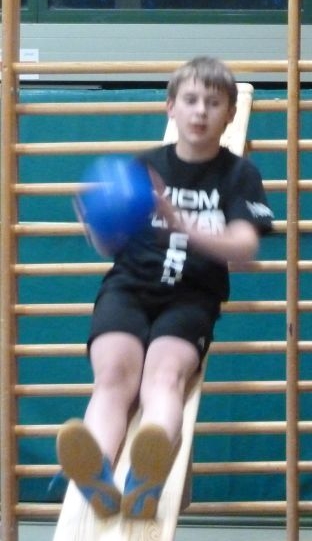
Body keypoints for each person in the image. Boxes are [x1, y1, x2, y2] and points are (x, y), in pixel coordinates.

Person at [56, 56, 273, 520]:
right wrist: (96, 229)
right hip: (129, 287)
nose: (200, 111)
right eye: (190, 100)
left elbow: (245, 249)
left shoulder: (239, 175)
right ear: (170, 107)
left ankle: (146, 476)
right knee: (113, 378)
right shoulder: (143, 167)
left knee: (164, 376)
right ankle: (96, 473)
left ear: (230, 113)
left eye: (213, 103)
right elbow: (113, 247)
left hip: (191, 296)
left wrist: (181, 223)